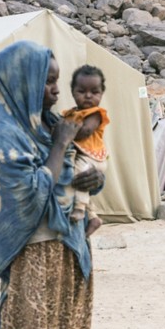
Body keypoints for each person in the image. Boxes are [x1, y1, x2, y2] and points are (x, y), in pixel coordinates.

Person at [0, 40, 104, 329]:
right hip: (36, 265)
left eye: (56, 80)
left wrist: (94, 179)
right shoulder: (8, 138)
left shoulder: (49, 125)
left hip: (70, 255)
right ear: (23, 82)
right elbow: (31, 194)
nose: (54, 90)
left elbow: (77, 175)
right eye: (47, 82)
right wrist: (60, 146)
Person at [62, 65, 110, 235]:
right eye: (81, 91)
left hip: (93, 156)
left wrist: (65, 134)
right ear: (72, 91)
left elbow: (85, 132)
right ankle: (93, 216)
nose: (88, 96)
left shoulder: (95, 113)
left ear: (102, 93)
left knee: (78, 176)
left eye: (94, 92)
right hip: (83, 155)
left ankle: (80, 209)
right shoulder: (72, 113)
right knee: (82, 184)